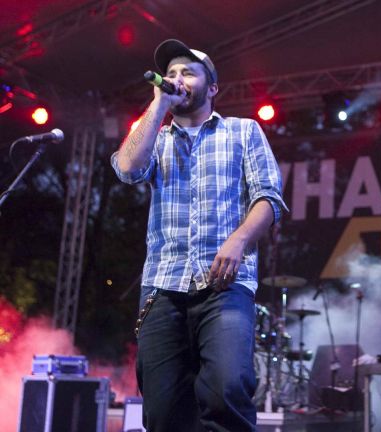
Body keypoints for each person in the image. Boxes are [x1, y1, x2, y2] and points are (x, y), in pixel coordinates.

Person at [111, 39, 287, 432]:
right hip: (162, 289)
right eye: (171, 74)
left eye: (188, 73)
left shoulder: (243, 131)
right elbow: (127, 168)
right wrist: (159, 103)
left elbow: (269, 199)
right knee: (162, 411)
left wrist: (239, 240)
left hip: (225, 286)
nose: (177, 79)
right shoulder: (155, 137)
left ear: (212, 88)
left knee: (227, 389)